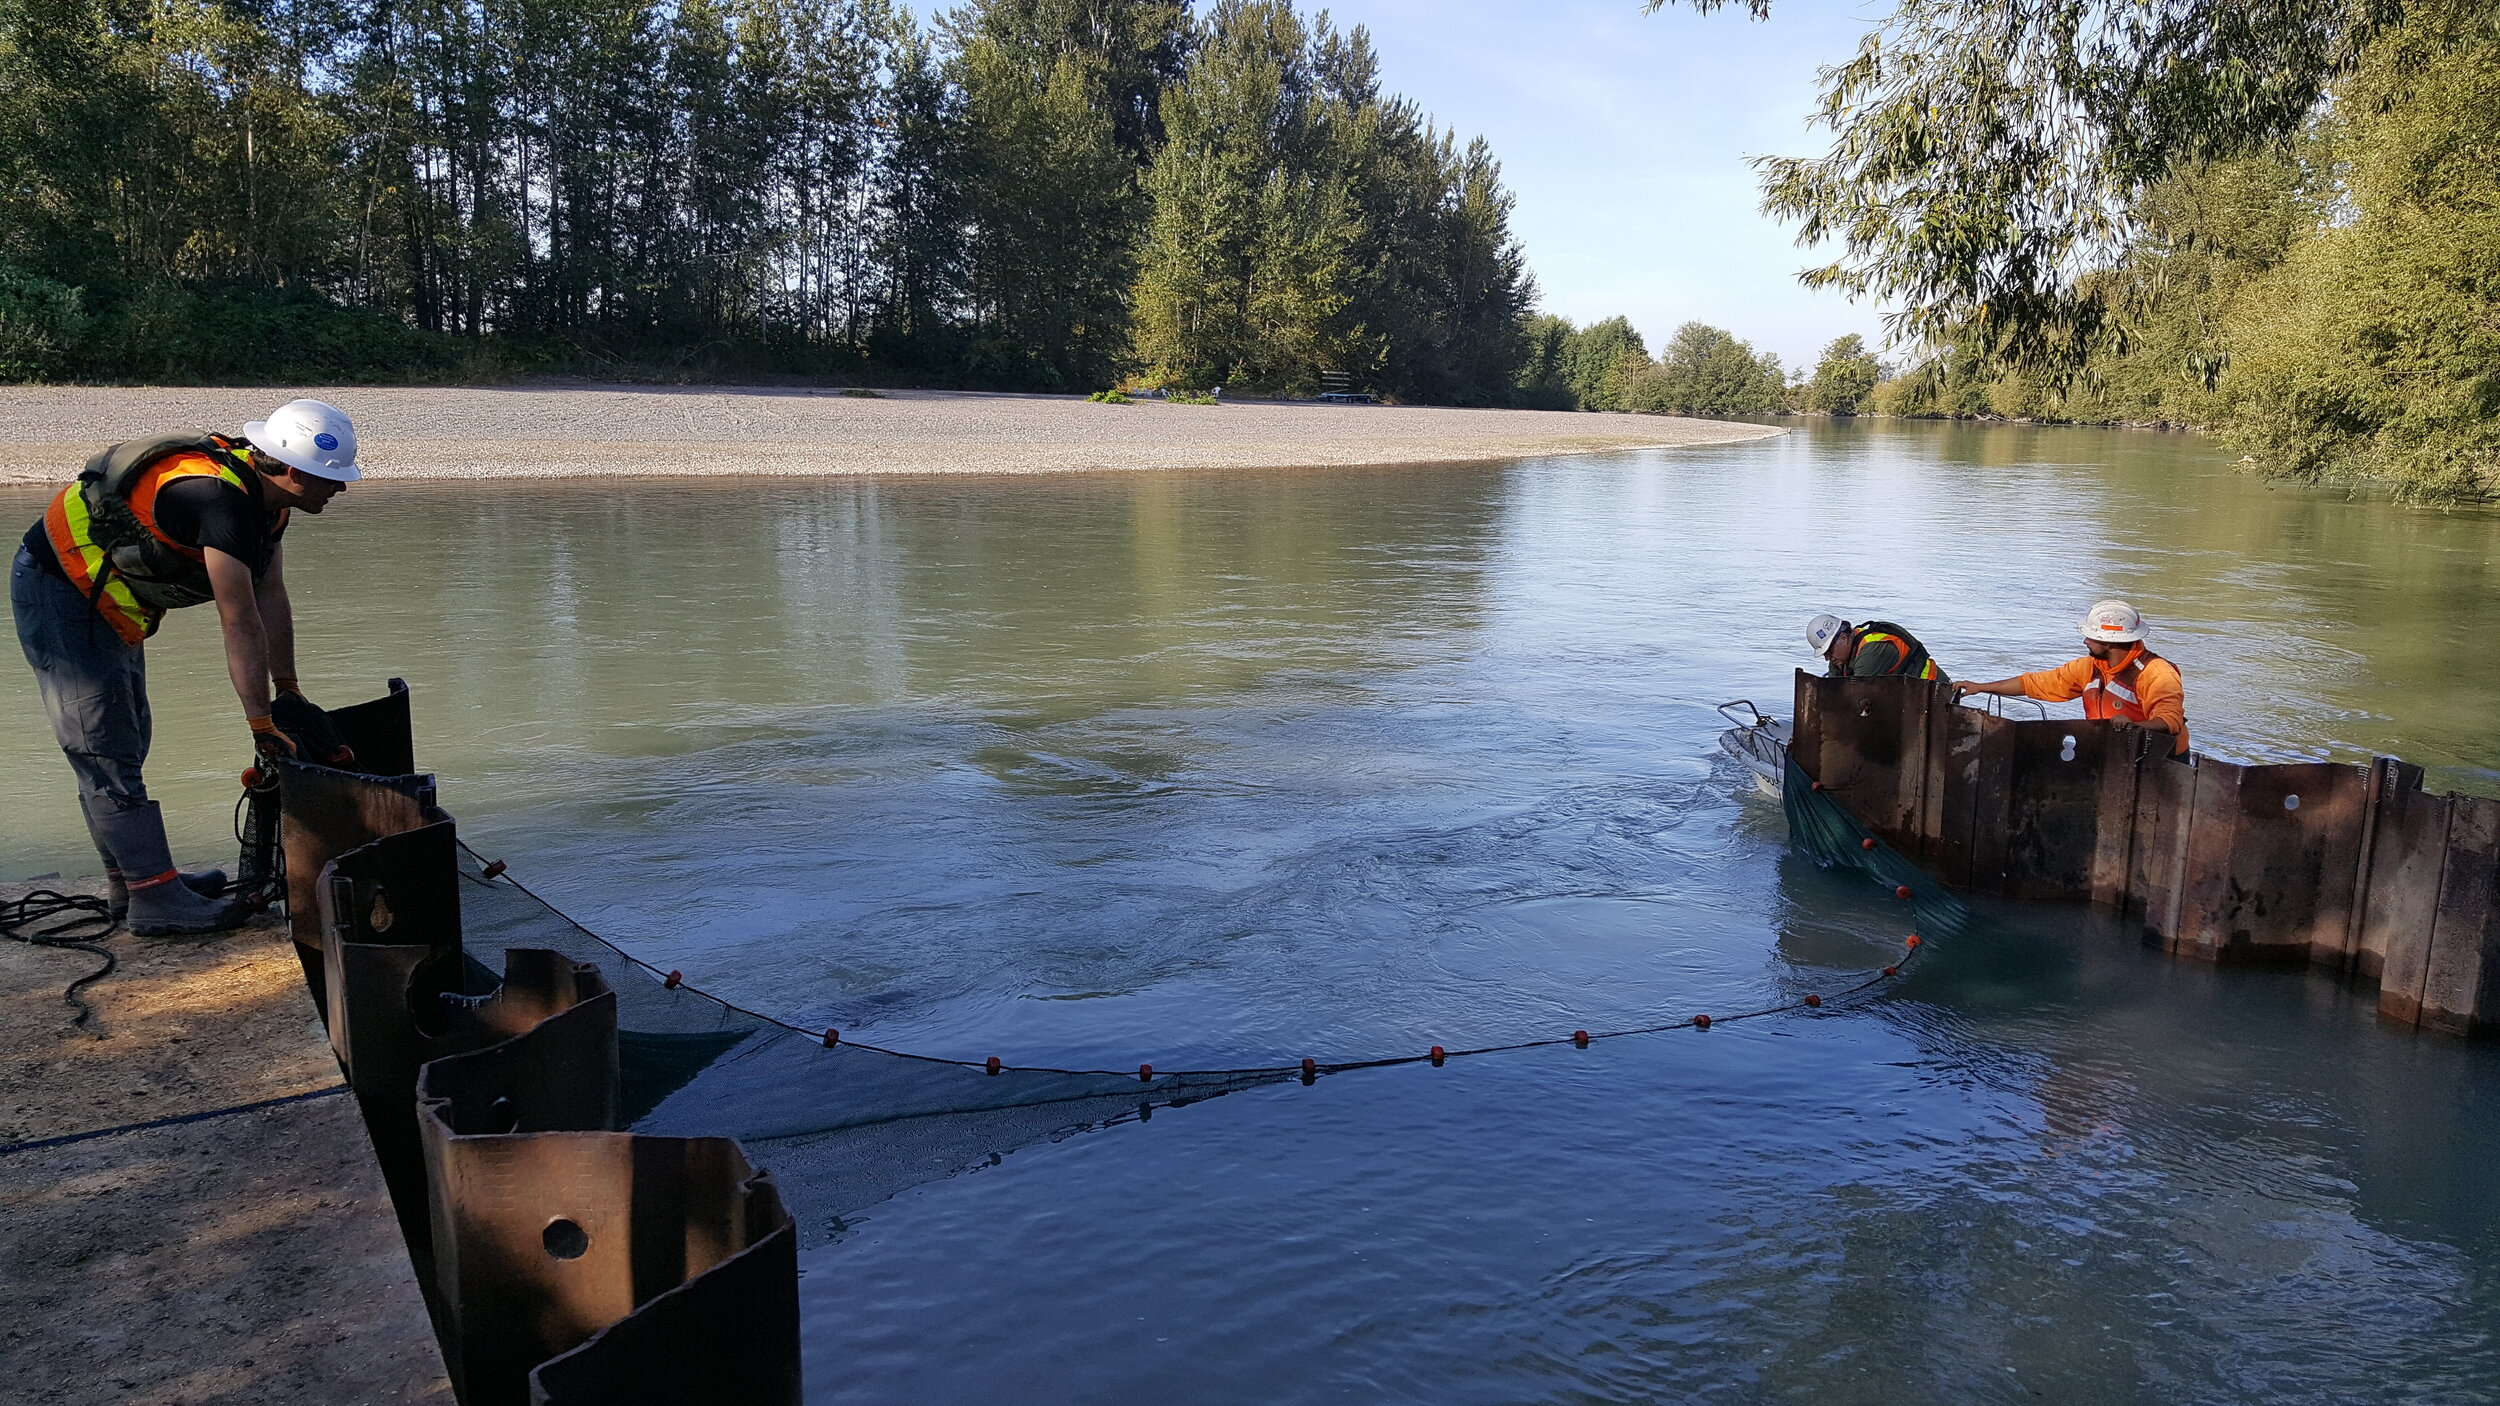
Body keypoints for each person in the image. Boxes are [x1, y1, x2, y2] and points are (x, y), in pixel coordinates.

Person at [12, 399, 362, 934]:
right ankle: (155, 900)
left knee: (129, 736)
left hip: (107, 603)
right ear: (292, 472)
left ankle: (134, 883)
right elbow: (238, 618)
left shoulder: (270, 504)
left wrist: (288, 688)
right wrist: (262, 723)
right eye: (330, 479)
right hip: (61, 590)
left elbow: (272, 593)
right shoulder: (217, 501)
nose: (340, 489)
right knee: (103, 745)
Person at [1952, 599, 2189, 756]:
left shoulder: (2156, 673)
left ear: (2108, 641)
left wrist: (2133, 725)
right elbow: (2034, 683)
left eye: (2090, 636)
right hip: (2117, 751)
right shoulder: (2090, 667)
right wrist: (1981, 687)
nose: (2085, 641)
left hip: (2160, 760)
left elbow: (2170, 721)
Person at [1804, 613, 1947, 683]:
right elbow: (1832, 690)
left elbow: (1855, 697)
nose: (1827, 658)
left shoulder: (1872, 651)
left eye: (1829, 651)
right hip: (1908, 697)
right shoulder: (1840, 658)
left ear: (1844, 638)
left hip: (1934, 690)